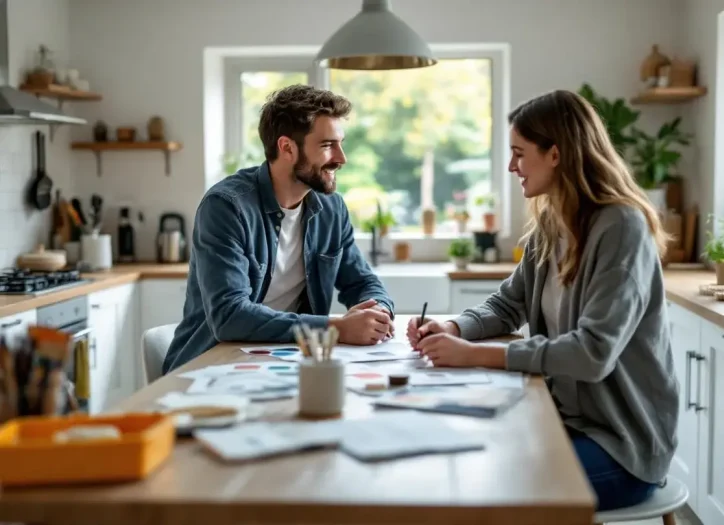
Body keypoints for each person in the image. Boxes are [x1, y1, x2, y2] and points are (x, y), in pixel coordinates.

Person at [406, 90, 679, 512]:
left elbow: (593, 353)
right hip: (564, 421)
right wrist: (454, 328)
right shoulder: (552, 224)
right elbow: (504, 306)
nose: (512, 166)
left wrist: (475, 356)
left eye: (519, 153)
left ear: (556, 154)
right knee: (459, 454)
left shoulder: (621, 227)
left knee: (493, 483)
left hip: (622, 446)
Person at [163, 84, 395, 374]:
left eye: (340, 143)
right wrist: (336, 328)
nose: (341, 158)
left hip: (285, 363)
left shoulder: (331, 209)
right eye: (326, 145)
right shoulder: (226, 207)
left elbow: (361, 282)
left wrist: (378, 312)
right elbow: (230, 316)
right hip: (210, 366)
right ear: (287, 147)